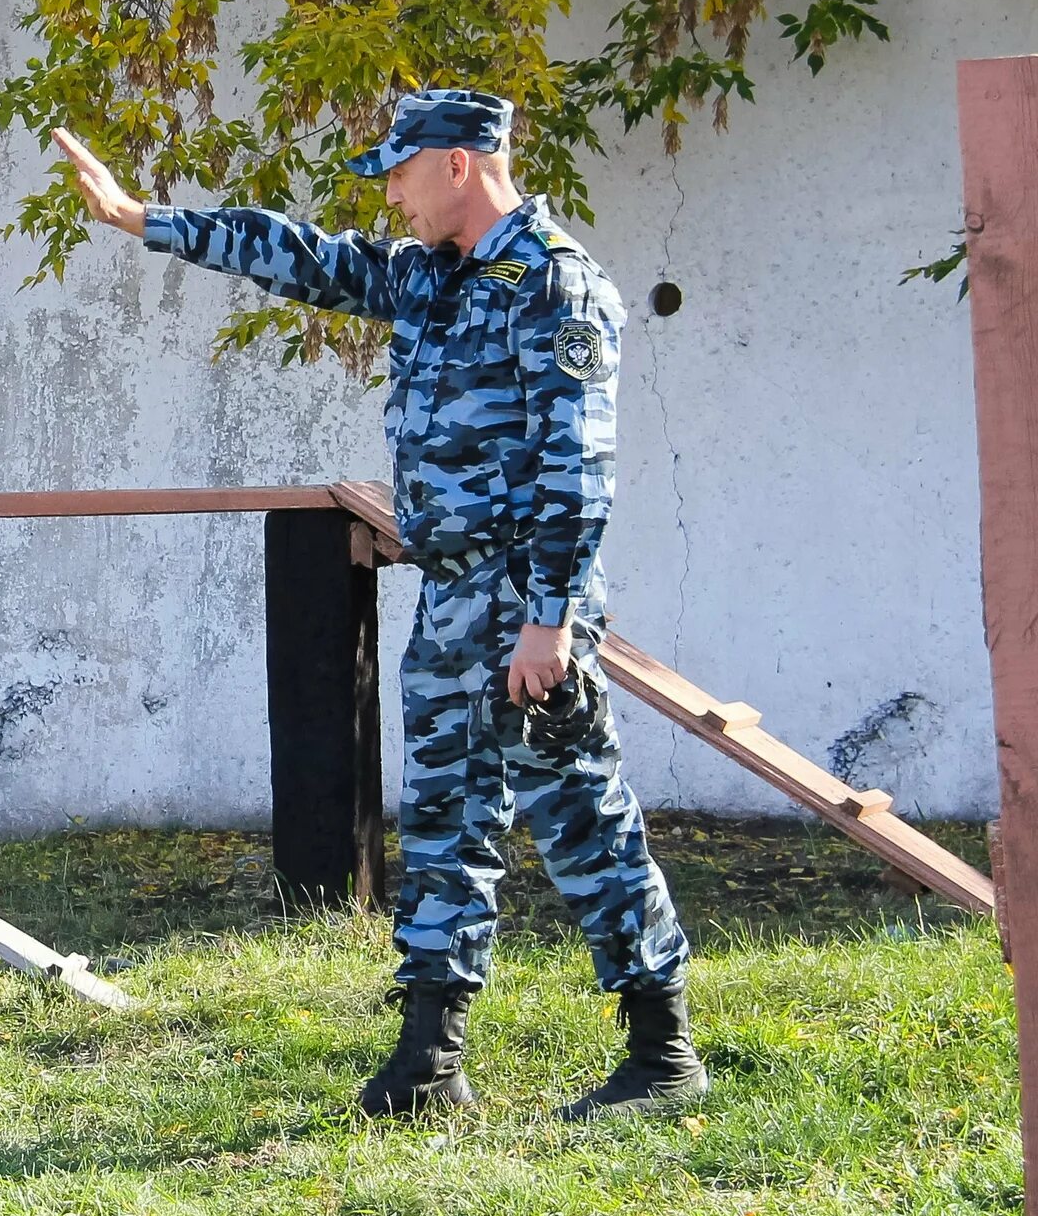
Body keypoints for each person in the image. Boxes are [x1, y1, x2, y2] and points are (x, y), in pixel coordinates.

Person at [52, 92, 703, 1120]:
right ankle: (429, 1061)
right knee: (444, 824)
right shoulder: (427, 278)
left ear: (457, 164)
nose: (390, 195)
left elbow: (578, 471)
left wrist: (548, 621)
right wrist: (143, 219)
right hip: (450, 596)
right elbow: (297, 253)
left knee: (579, 815)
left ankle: (662, 1050)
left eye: (400, 173)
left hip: (524, 604)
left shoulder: (555, 284)